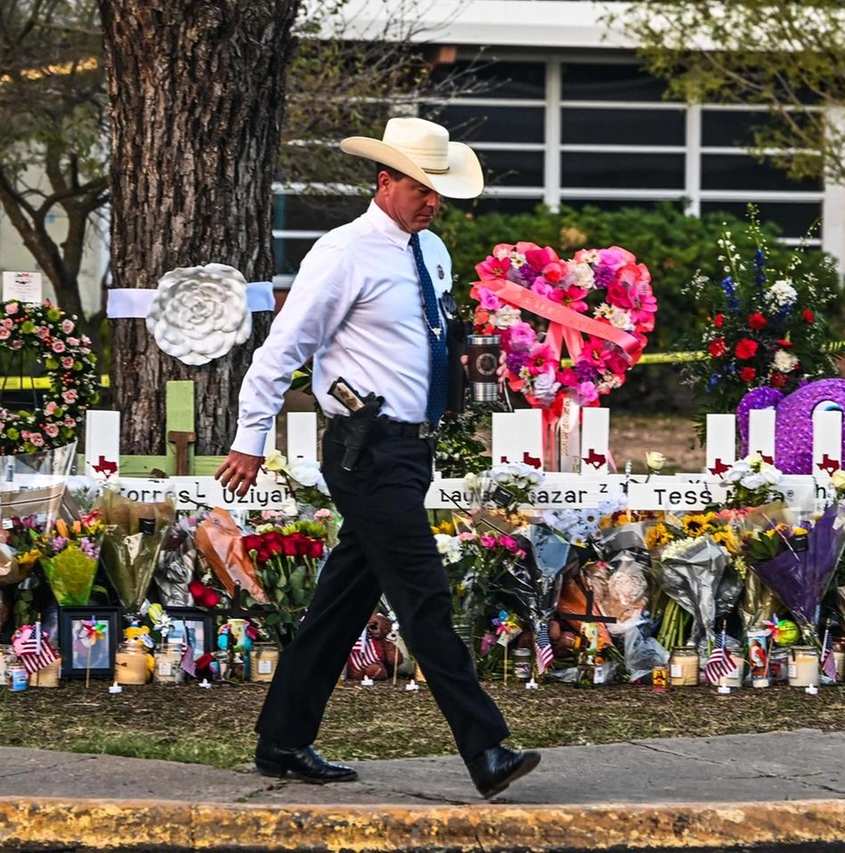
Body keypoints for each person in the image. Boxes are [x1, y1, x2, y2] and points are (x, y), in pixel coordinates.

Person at [215, 117, 540, 798]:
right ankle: (486, 748)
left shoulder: (434, 252)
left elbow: (436, 339)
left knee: (338, 604)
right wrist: (251, 438)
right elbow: (281, 352)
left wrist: (490, 378)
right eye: (421, 186)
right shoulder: (342, 254)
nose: (432, 201)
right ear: (384, 180)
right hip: (364, 450)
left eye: (439, 189)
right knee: (425, 597)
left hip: (409, 450)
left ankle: (281, 739)